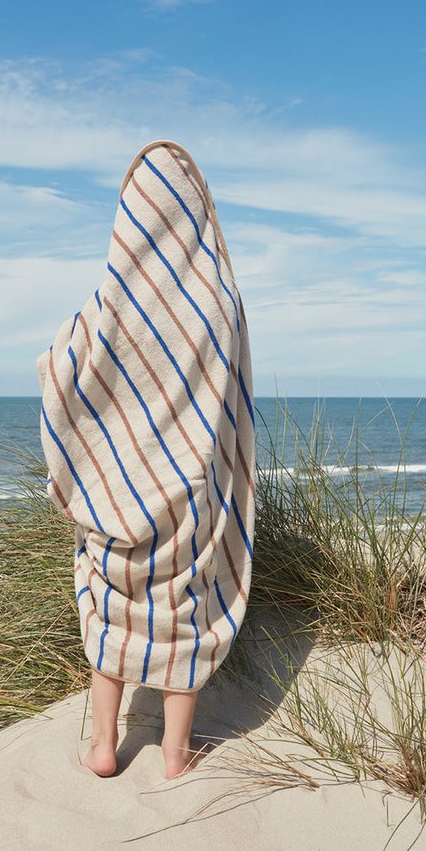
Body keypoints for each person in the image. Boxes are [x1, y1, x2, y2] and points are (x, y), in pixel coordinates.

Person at [36, 139, 256, 779]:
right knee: (187, 611)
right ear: (195, 212)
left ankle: (105, 746)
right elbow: (231, 391)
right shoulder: (219, 297)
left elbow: (67, 363)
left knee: (112, 607)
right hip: (189, 490)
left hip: (119, 489)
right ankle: (176, 752)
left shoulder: (112, 300)